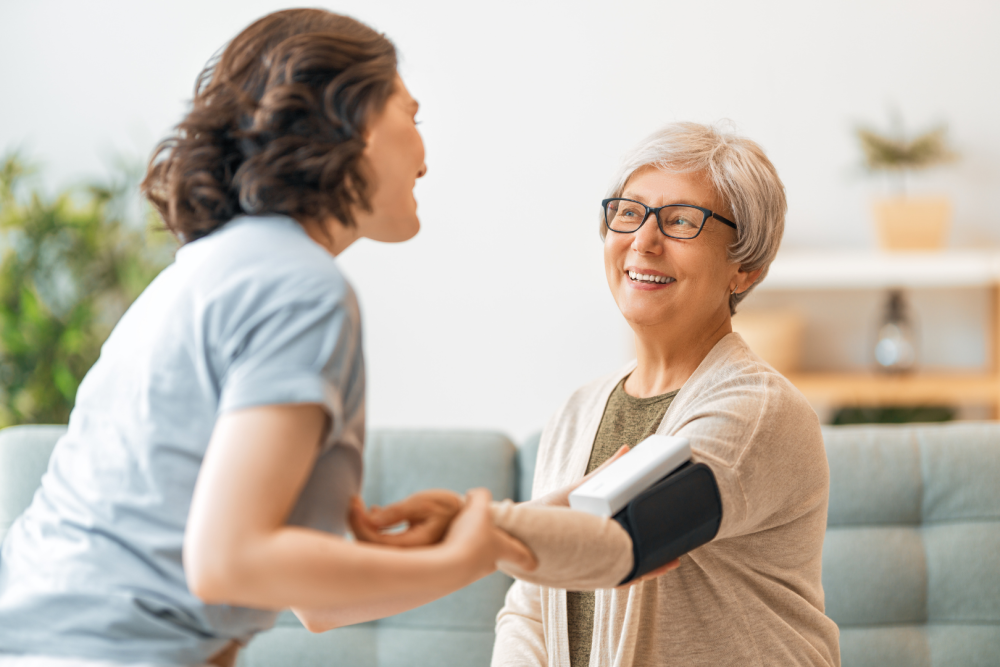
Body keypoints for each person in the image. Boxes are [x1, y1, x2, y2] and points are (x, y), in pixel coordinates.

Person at [0, 9, 533, 667]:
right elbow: (231, 561)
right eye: (411, 116)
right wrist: (461, 559)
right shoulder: (299, 285)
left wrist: (491, 540)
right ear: (354, 120)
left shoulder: (218, 265)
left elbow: (315, 603)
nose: (424, 155)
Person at [490, 122, 841, 667]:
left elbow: (625, 539)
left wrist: (470, 530)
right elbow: (531, 606)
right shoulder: (577, 411)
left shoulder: (757, 412)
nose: (643, 242)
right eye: (628, 213)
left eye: (681, 221)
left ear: (744, 269)